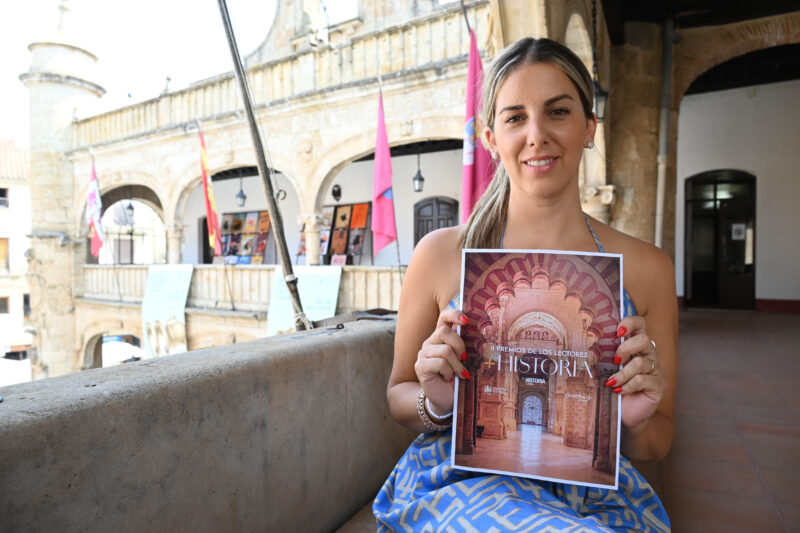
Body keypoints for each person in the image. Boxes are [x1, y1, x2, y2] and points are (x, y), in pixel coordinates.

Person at [374, 37, 676, 532]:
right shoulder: (441, 254)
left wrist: (633, 417)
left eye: (557, 111)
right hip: (461, 482)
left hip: (597, 494)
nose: (536, 135)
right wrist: (439, 401)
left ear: (588, 127)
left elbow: (658, 442)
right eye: (515, 117)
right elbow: (399, 398)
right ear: (492, 138)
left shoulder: (647, 268)